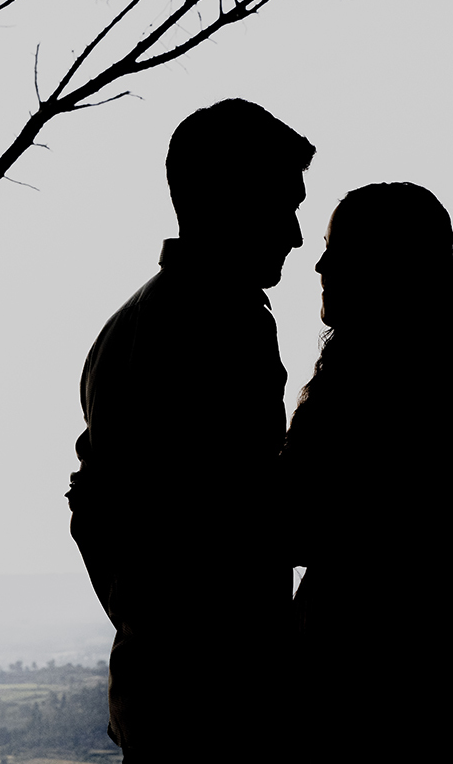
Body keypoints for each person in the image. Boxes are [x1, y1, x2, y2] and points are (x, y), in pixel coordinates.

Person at [66, 99, 315, 762]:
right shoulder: (224, 322)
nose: (296, 235)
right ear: (232, 202)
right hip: (221, 698)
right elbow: (242, 512)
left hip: (157, 684)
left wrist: (141, 619)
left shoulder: (126, 325)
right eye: (284, 206)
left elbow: (91, 509)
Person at [281, 182, 453, 761]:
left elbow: (295, 525)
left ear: (386, 268)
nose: (321, 266)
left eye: (340, 251)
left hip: (363, 681)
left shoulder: (363, 393)